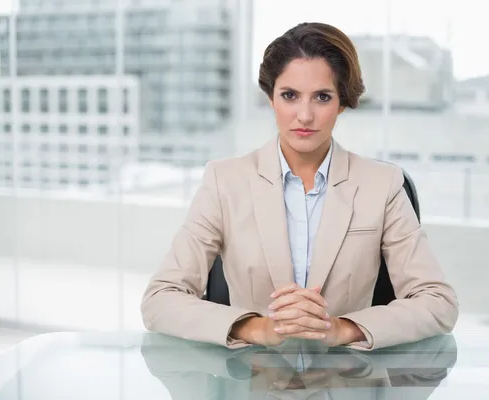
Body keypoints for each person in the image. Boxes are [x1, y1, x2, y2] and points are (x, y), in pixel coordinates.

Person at [141, 22, 458, 351]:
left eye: (322, 97)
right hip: (254, 379)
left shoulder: (382, 185)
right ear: (271, 98)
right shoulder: (225, 181)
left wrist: (343, 329)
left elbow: (438, 302)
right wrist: (256, 328)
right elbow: (160, 300)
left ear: (342, 103)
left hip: (347, 378)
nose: (304, 115)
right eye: (289, 96)